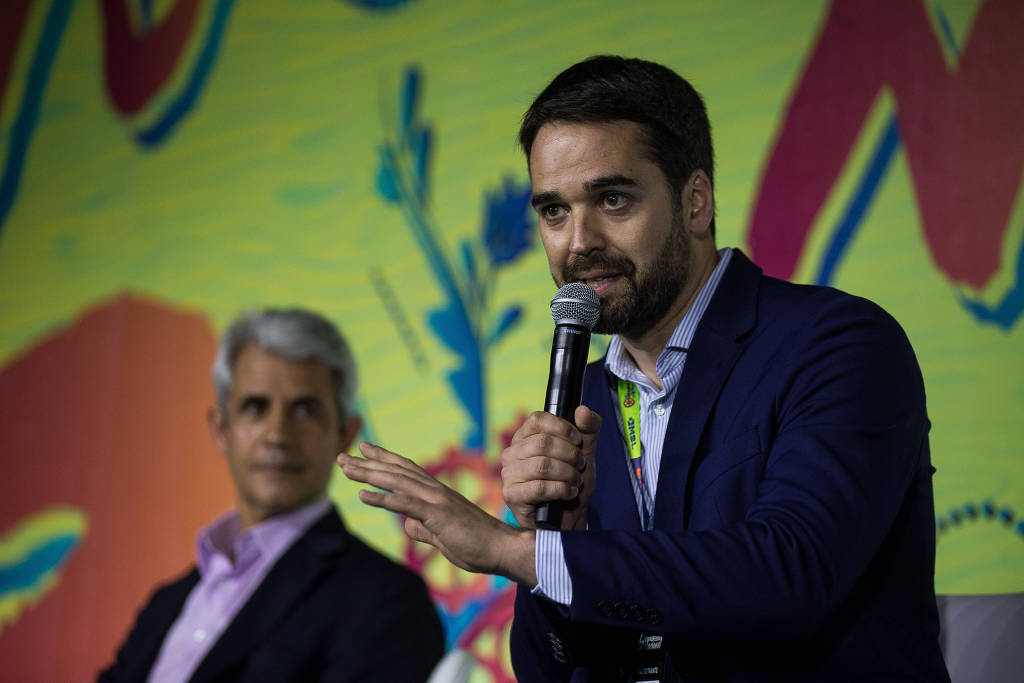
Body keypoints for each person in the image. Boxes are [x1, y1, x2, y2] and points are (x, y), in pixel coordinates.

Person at [339, 56, 951, 681]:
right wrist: (559, 534)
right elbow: (550, 673)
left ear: (696, 203)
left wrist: (515, 550)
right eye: (554, 211)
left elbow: (789, 573)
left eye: (612, 199)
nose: (579, 242)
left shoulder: (838, 344)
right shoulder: (587, 398)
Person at [99, 308, 444, 683]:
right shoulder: (165, 604)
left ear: (344, 434)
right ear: (221, 429)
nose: (277, 434)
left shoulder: (384, 599)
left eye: (305, 410)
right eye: (255, 407)